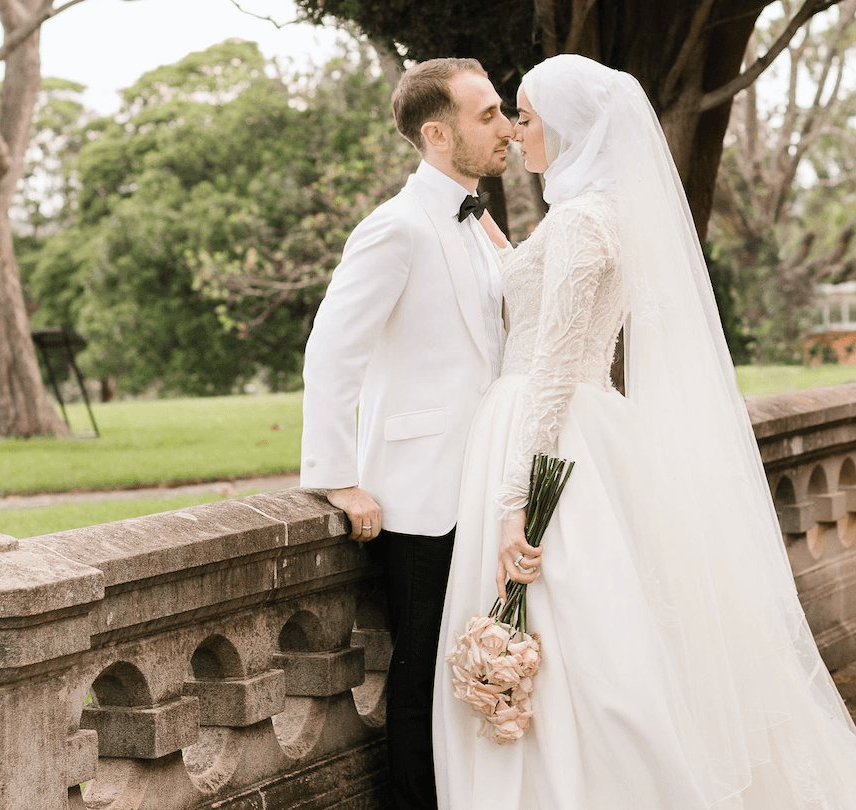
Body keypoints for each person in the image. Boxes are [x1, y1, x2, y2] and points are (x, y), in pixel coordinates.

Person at [432, 53, 856, 810]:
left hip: (550, 439)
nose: (518, 131)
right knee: (605, 639)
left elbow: (555, 366)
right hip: (573, 429)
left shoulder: (585, 223)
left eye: (524, 115)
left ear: (566, 125)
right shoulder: (589, 215)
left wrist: (522, 499)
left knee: (593, 649)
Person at [299, 57, 513, 810]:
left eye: (502, 111)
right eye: (486, 115)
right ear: (436, 132)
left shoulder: (479, 222)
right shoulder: (393, 227)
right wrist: (336, 475)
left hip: (490, 486)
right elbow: (332, 351)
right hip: (422, 497)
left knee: (477, 670)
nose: (507, 127)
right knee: (420, 676)